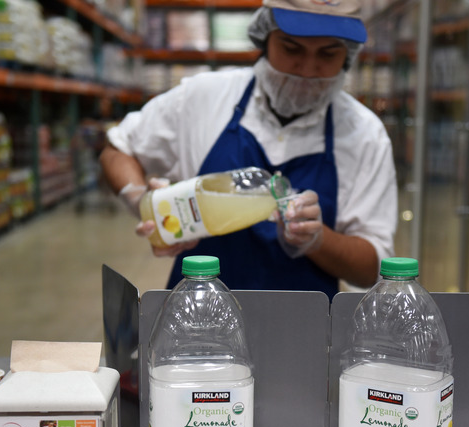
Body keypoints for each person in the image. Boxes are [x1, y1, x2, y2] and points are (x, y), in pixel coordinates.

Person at [100, 0, 397, 298]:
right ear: (264, 38)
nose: (307, 69)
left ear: (348, 56)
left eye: (328, 54)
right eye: (291, 49)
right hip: (195, 319)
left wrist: (318, 240)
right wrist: (142, 201)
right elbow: (118, 149)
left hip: (305, 329)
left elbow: (372, 268)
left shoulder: (365, 135)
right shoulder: (204, 98)